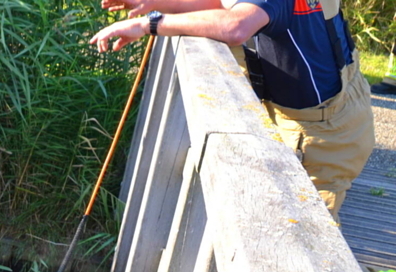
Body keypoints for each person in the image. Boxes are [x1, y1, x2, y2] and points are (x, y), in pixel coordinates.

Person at [89, 0, 374, 221]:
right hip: (342, 105)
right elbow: (224, 7)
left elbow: (235, 26)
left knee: (309, 238)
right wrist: (155, 2)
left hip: (319, 135)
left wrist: (150, 24)